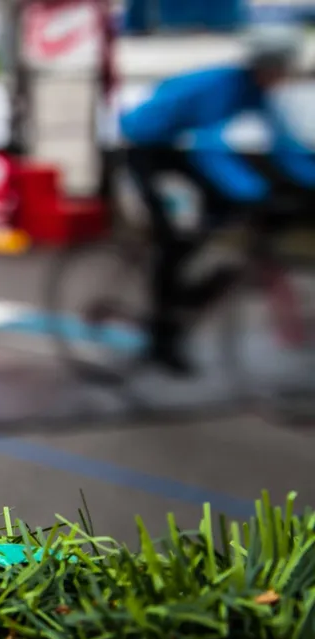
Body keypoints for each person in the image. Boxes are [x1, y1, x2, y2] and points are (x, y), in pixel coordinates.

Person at [119, 24, 315, 375]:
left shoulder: (257, 91)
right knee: (174, 238)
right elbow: (211, 149)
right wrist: (253, 193)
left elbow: (285, 146)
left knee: (223, 209)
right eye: (281, 69)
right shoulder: (221, 87)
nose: (284, 78)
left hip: (182, 147)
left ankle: (197, 272)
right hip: (148, 150)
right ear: (265, 65)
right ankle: (162, 333)